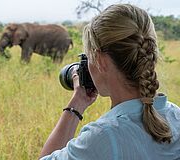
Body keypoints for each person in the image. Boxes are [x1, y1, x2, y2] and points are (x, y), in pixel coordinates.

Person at [39, 4, 180, 160]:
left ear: (100, 61)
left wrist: (76, 104)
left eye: (89, 57)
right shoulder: (175, 115)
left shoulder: (103, 137)